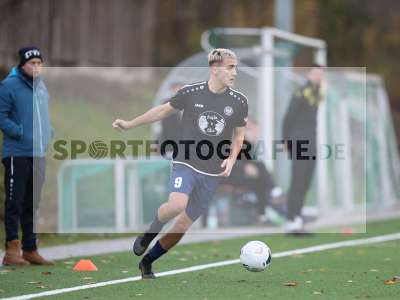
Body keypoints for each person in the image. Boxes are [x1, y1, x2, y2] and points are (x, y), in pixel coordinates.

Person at [112, 48, 248, 279]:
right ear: (215, 69)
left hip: (213, 172)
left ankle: (148, 261)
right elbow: (162, 111)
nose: (234, 72)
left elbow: (239, 136)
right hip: (186, 161)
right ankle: (149, 233)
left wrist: (232, 159)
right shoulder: (191, 93)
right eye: (230, 66)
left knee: (183, 225)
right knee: (176, 205)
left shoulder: (239, 101)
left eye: (235, 67)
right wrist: (130, 124)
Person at [0, 46, 54, 266]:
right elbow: (1, 117)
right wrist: (20, 133)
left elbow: (44, 116)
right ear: (22, 65)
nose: (36, 67)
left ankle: (30, 249)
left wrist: (49, 131)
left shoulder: (41, 87)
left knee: (33, 203)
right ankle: (12, 250)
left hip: (38, 154)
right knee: (15, 201)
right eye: (32, 63)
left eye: (39, 63)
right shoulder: (8, 86)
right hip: (17, 153)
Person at [282, 64, 324, 234]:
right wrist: (285, 140)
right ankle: (292, 219)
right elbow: (288, 117)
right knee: (298, 180)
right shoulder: (301, 92)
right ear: (308, 74)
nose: (318, 77)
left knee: (306, 181)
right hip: (299, 141)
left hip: (311, 142)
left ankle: (297, 216)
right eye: (315, 73)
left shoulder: (316, 93)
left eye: (321, 74)